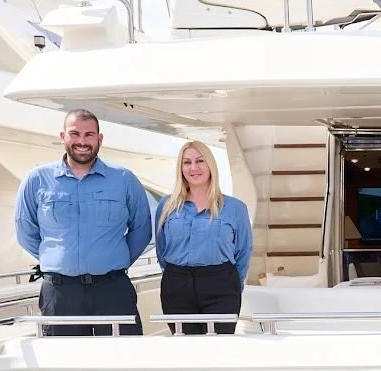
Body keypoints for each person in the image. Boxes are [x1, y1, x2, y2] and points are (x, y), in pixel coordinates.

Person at [15, 109, 152, 336]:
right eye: (74, 134)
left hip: (113, 290)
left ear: (100, 139)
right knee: (65, 358)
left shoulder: (124, 179)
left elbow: (142, 229)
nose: (82, 141)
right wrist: (58, 259)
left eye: (89, 135)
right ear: (63, 136)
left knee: (123, 355)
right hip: (60, 294)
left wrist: (111, 259)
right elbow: (25, 232)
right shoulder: (36, 180)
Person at [154, 141, 252, 334]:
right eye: (187, 162)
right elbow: (161, 249)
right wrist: (176, 275)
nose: (194, 168)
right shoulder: (167, 206)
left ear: (210, 165)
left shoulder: (235, 208)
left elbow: (243, 251)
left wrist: (231, 284)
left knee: (219, 345)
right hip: (177, 285)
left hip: (221, 285)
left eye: (200, 161)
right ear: (180, 168)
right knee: (185, 345)